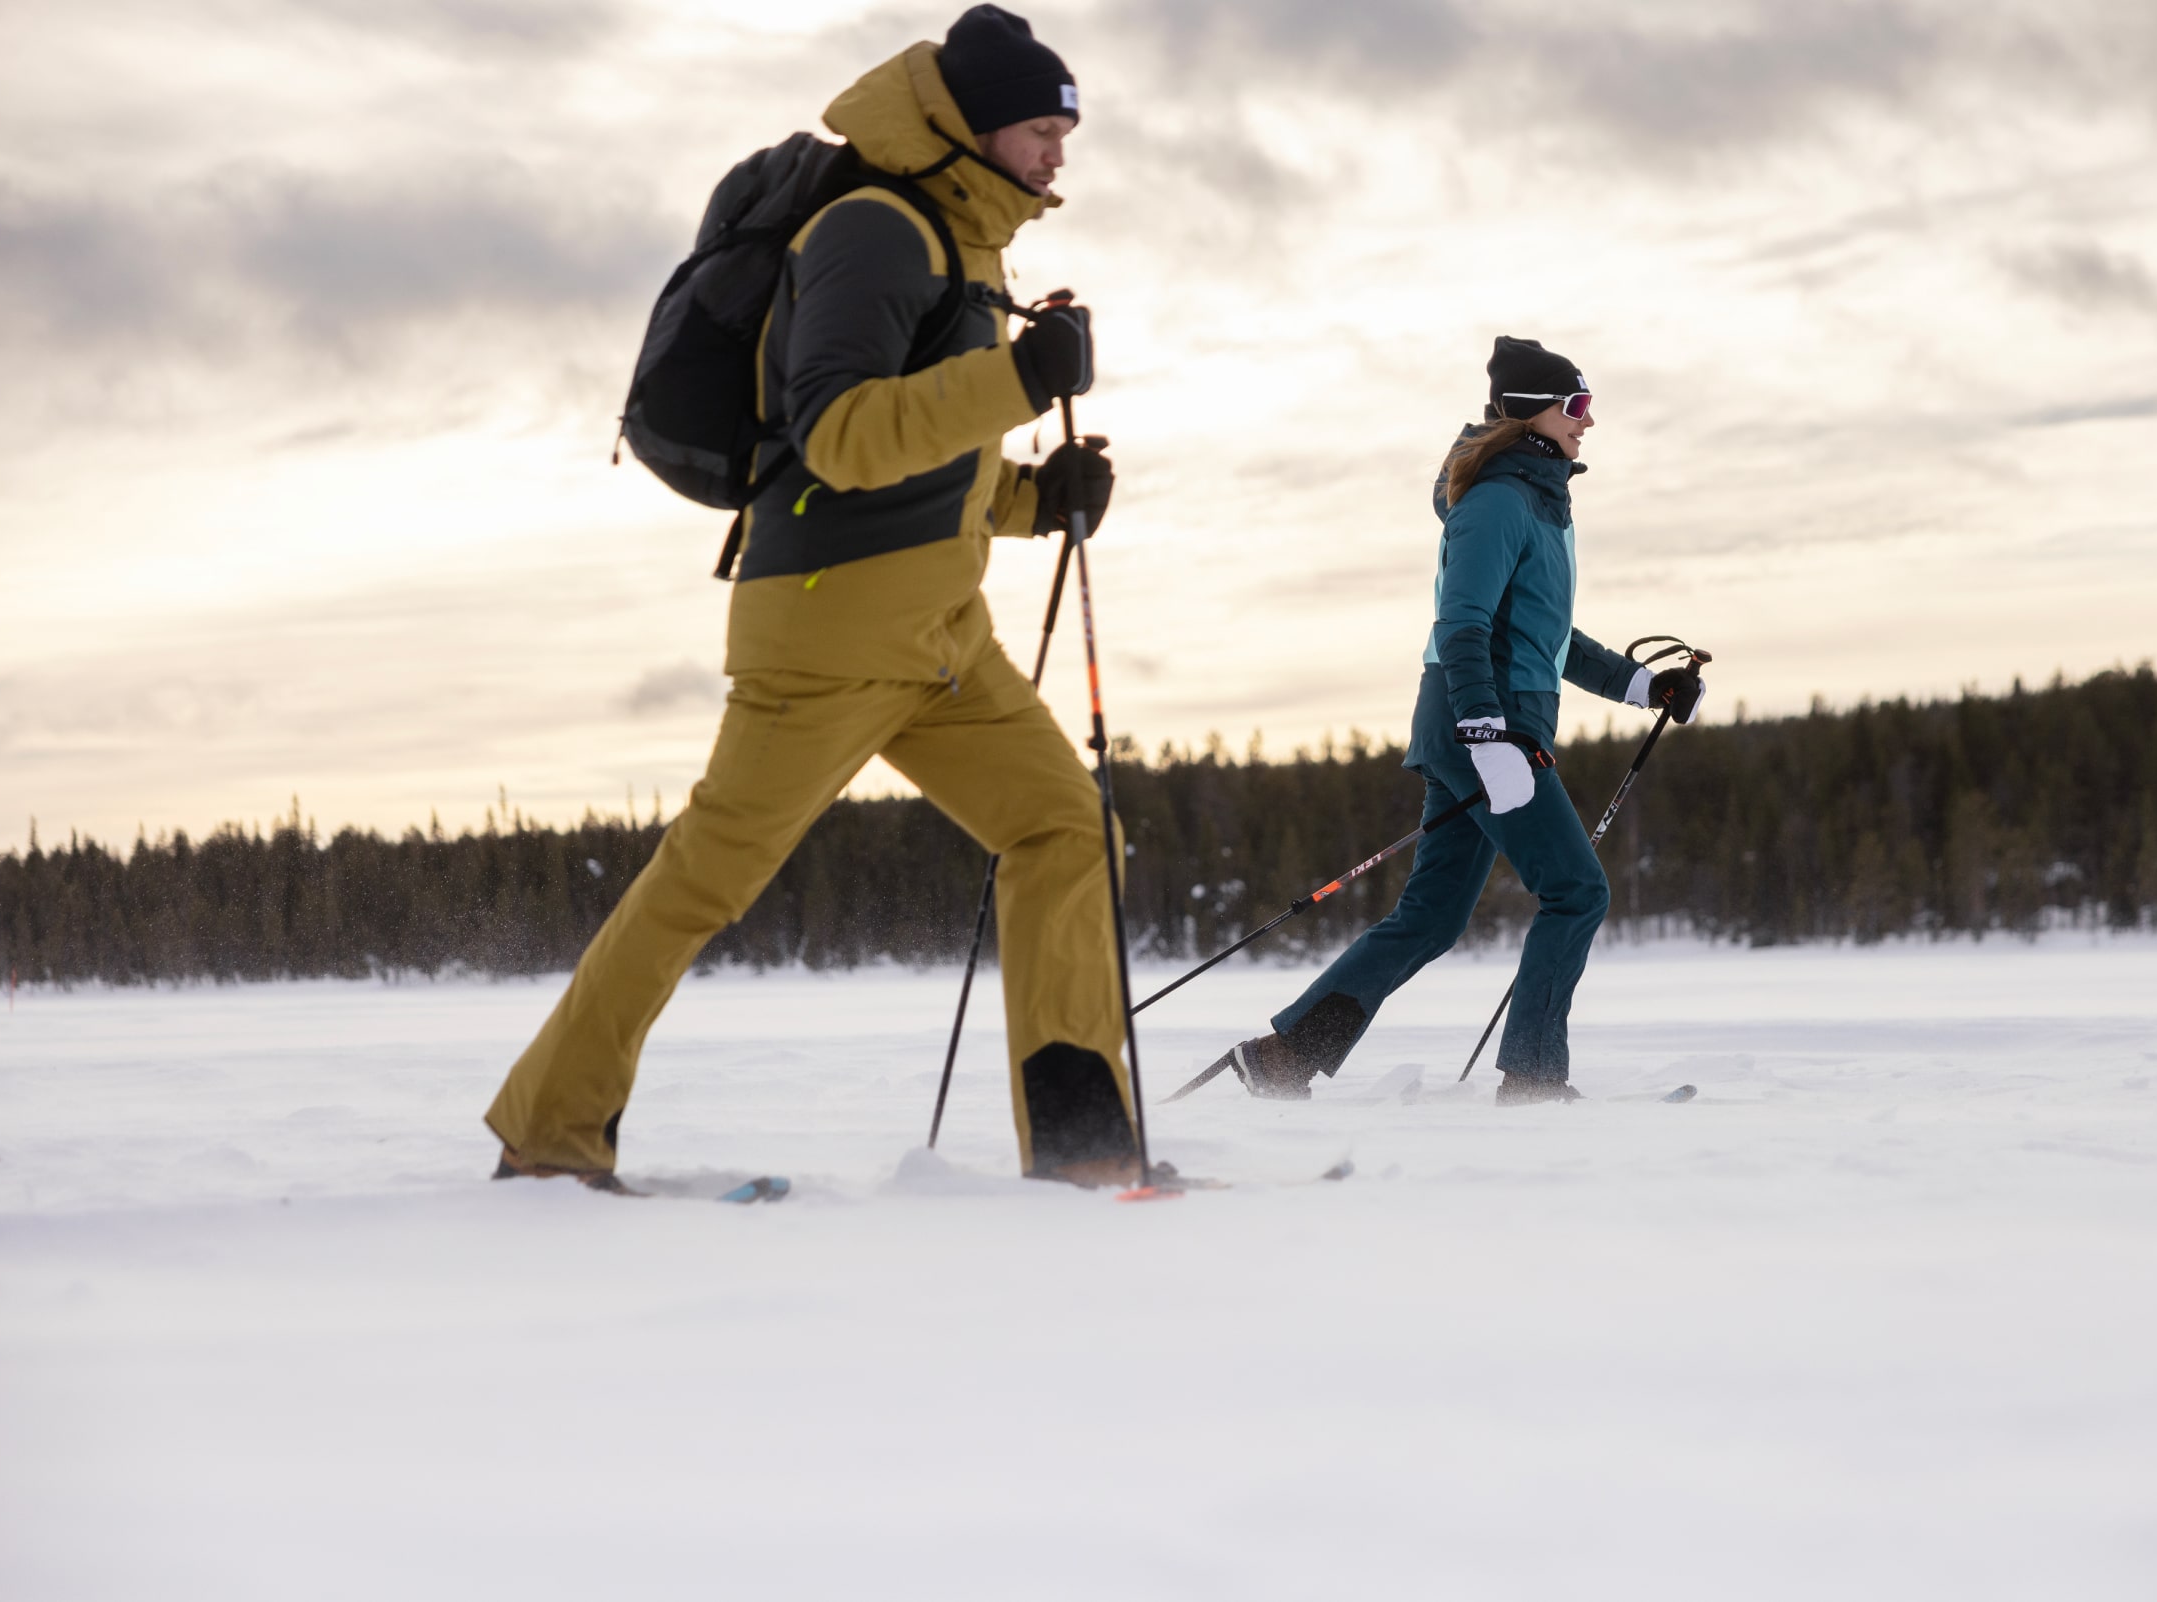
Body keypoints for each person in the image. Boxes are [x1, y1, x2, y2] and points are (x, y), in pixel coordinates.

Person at [486, 5, 1143, 1188]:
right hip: (829, 632)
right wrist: (1015, 380)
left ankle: (1085, 1146)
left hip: (942, 636)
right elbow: (836, 437)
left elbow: (932, 464)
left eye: (1063, 129)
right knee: (702, 885)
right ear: (978, 126)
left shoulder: (971, 243)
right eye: (1041, 128)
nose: (1058, 153)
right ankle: (548, 1137)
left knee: (1066, 830)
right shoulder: (873, 230)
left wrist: (1036, 499)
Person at [1209, 337, 1703, 1104]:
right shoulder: (1498, 502)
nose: (1588, 422)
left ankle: (1284, 1056)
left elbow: (1547, 636)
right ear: (1528, 415)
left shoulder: (1537, 504)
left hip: (1492, 725)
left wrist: (1643, 685)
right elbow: (1462, 624)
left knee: (1432, 917)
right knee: (1577, 892)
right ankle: (1533, 1077)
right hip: (1485, 725)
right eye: (1576, 406)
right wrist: (1485, 731)